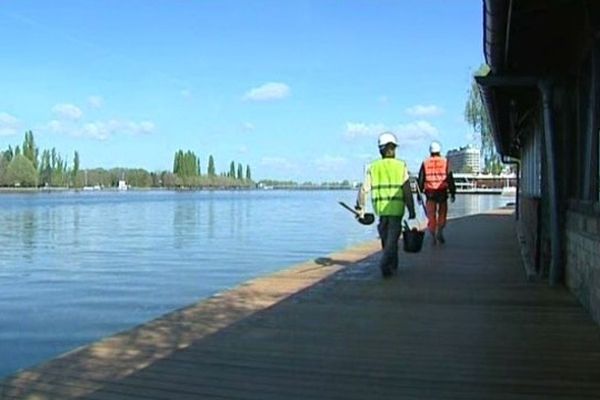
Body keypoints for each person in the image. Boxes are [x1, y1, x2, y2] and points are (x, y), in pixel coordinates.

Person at [356, 132, 416, 278]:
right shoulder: (401, 166)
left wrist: (360, 209)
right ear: (393, 149)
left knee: (386, 238)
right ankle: (386, 263)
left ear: (380, 150)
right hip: (396, 210)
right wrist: (411, 209)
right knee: (392, 239)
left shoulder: (373, 167)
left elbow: (363, 190)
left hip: (381, 210)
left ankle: (391, 263)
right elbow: (407, 190)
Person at [418, 141, 456, 245]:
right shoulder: (445, 162)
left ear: (430, 151)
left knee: (431, 215)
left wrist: (419, 194)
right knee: (442, 213)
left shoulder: (425, 163)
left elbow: (421, 179)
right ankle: (440, 231)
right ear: (439, 151)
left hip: (430, 193)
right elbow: (450, 178)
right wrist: (453, 192)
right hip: (442, 192)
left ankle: (432, 234)